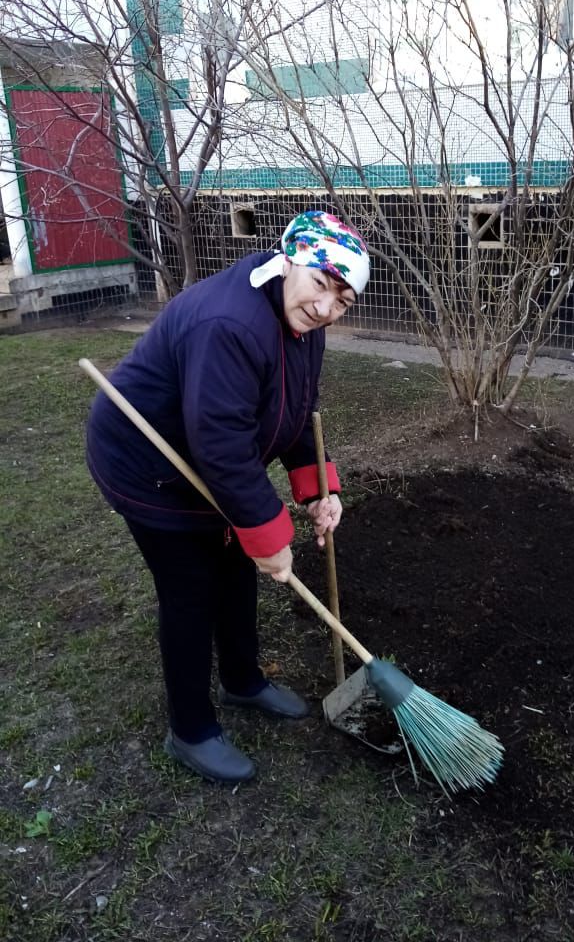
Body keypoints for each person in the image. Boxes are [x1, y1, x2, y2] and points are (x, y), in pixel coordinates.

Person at [85, 211, 370, 783]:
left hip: (206, 457)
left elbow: (291, 411)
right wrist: (269, 535)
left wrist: (318, 489)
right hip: (150, 464)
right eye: (320, 282)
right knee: (190, 588)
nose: (324, 307)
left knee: (237, 570)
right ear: (291, 259)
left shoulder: (301, 325)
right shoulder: (230, 323)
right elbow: (219, 443)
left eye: (341, 299)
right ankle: (190, 730)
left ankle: (243, 681)